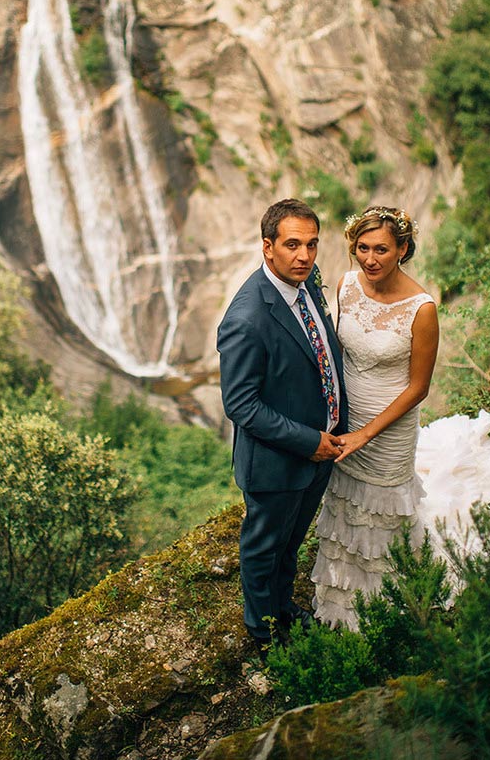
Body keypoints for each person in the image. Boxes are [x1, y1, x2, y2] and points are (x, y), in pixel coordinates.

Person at [217, 199, 349, 657]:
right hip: (279, 460)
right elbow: (240, 404)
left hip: (319, 450)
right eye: (292, 245)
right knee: (264, 548)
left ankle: (284, 610)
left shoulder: (305, 283)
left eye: (312, 245)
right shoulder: (246, 318)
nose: (304, 255)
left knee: (290, 543)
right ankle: (265, 635)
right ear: (267, 247)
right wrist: (308, 440)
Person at [311, 205, 439, 629]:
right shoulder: (347, 285)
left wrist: (367, 433)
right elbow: (338, 352)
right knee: (345, 505)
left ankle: (384, 606)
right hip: (348, 417)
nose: (370, 259)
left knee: (381, 512)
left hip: (389, 426)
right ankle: (340, 604)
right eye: (362, 248)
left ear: (403, 248)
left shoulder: (422, 309)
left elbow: (418, 387)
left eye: (381, 249)